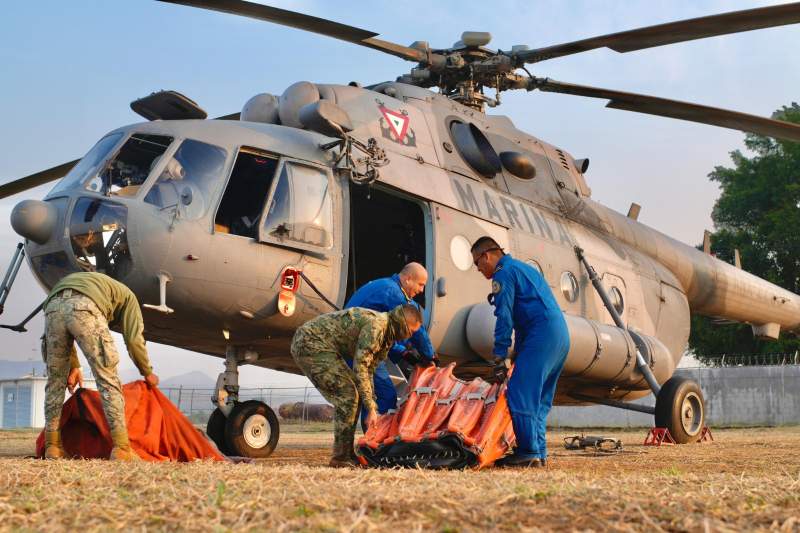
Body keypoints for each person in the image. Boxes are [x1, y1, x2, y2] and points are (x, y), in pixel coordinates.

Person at [471, 236, 570, 467]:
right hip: (559, 335)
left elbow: (504, 316)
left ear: (487, 255)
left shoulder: (503, 273)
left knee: (519, 391)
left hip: (542, 334)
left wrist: (499, 355)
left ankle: (528, 451)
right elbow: (527, 314)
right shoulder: (522, 268)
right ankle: (539, 452)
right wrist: (516, 353)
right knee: (539, 398)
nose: (478, 269)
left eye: (477, 263)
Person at [42, 271, 159, 461]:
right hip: (86, 306)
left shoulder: (97, 283)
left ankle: (52, 447)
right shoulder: (129, 297)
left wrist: (74, 367)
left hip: (52, 306)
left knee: (55, 381)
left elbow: (66, 323)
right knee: (107, 378)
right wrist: (147, 372)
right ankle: (122, 448)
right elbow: (134, 340)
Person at [290, 304, 422, 467]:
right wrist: (372, 409)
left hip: (324, 347)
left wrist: (371, 405)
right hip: (310, 342)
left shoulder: (386, 337)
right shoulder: (377, 327)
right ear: (402, 324)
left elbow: (369, 372)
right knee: (348, 394)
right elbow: (360, 367)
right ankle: (340, 457)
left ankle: (345, 454)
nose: (409, 337)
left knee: (353, 393)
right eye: (410, 331)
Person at [345, 262, 437, 425]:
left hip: (353, 344)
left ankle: (368, 443)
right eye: (421, 284)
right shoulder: (395, 294)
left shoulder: (382, 286)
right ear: (408, 279)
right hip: (358, 349)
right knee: (385, 395)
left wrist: (401, 352)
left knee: (364, 399)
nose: (422, 290)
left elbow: (380, 332)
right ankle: (377, 444)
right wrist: (430, 356)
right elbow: (416, 330)